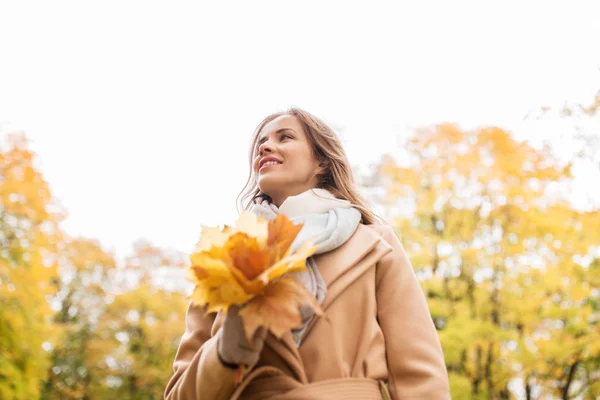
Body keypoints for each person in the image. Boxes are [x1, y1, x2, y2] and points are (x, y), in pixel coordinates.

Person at [164, 107, 451, 399]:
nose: (264, 146)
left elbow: (420, 376)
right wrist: (225, 353)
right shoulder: (223, 259)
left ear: (321, 163)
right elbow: (178, 394)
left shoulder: (376, 243)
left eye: (284, 137)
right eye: (261, 142)